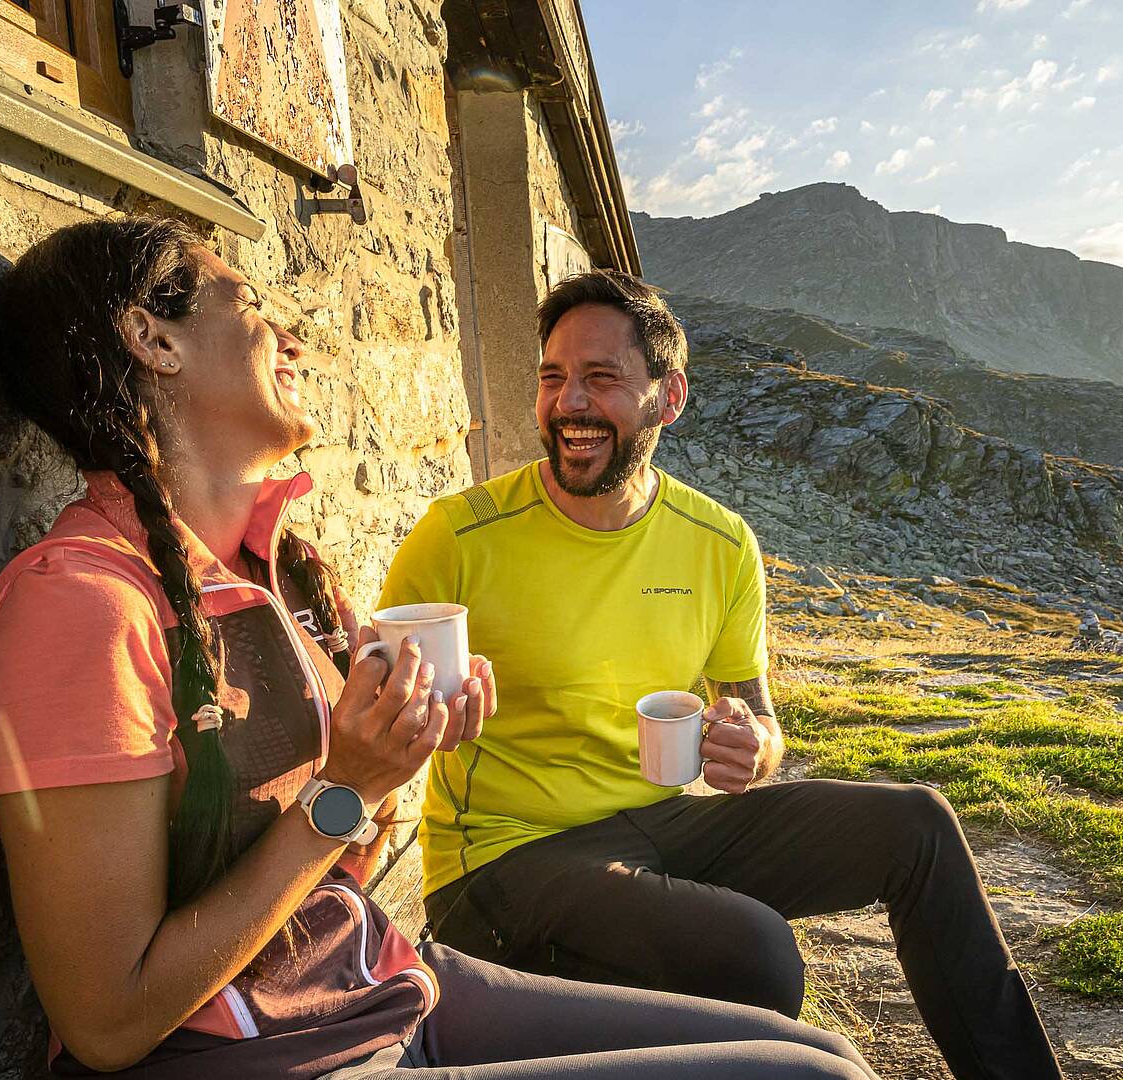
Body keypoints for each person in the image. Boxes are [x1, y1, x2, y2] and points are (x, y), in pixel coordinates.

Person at [0, 217, 876, 1080]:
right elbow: (106, 1023)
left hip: (377, 985)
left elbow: (324, 842)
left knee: (832, 1057)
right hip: (277, 1056)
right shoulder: (83, 604)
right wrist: (349, 789)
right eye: (248, 306)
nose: (292, 340)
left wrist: (407, 744)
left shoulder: (278, 568)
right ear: (152, 339)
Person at [379, 270, 1064, 1080]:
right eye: (554, 377)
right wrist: (414, 725)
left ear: (669, 398)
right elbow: (372, 713)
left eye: (602, 379)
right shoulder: (458, 536)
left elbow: (760, 720)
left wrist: (752, 746)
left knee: (917, 825)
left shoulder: (720, 542)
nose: (569, 404)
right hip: (501, 861)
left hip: (658, 822)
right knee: (759, 955)